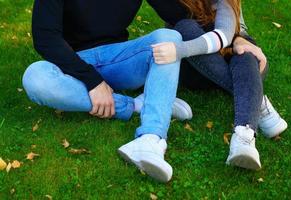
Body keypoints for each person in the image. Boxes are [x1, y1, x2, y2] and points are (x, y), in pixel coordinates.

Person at [22, 0, 197, 183]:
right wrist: (92, 81)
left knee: (169, 38)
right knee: (35, 77)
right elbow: (45, 38)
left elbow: (180, 14)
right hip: (73, 64)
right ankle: (138, 104)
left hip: (119, 59)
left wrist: (225, 28)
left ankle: (150, 139)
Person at [151, 0, 287, 169]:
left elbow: (224, 35)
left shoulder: (226, 3)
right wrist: (181, 50)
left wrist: (239, 39)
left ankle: (244, 137)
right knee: (185, 27)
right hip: (197, 66)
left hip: (229, 50)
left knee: (244, 50)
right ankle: (255, 100)